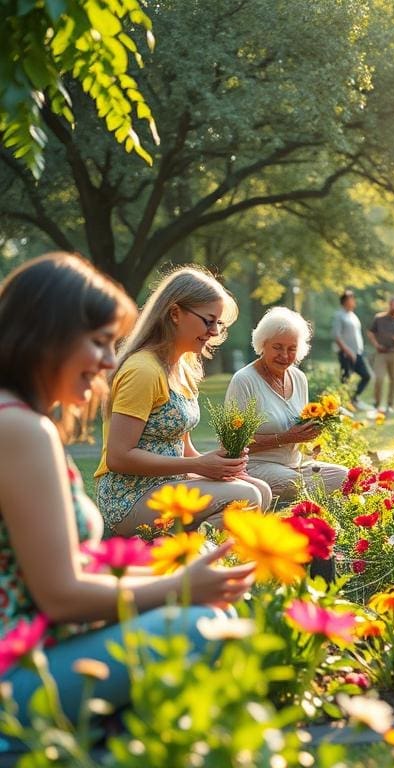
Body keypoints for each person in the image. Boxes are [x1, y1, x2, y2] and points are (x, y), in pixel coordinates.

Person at [0, 253, 254, 726]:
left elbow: (62, 574)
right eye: (98, 342)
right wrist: (178, 587)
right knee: (201, 627)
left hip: (37, 648)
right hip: (16, 673)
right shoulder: (19, 429)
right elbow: (60, 595)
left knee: (218, 609)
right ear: (45, 336)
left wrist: (183, 578)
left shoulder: (19, 421)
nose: (110, 360)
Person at [96, 267, 272, 535]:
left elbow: (183, 448)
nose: (214, 332)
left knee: (261, 490)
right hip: (129, 497)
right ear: (175, 313)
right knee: (246, 497)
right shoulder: (143, 370)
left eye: (218, 323)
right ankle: (186, 562)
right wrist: (198, 466)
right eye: (208, 321)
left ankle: (207, 563)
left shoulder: (184, 368)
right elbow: (119, 457)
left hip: (170, 484)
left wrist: (218, 466)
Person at [225, 307, 348, 502]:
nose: (284, 355)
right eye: (278, 347)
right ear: (262, 344)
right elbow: (231, 444)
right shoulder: (244, 380)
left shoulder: (299, 378)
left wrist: (310, 436)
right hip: (255, 466)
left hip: (295, 465)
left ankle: (329, 524)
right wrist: (284, 438)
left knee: (345, 477)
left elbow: (298, 427)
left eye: (291, 349)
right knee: (296, 484)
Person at [366, 296, 394, 415]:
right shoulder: (379, 318)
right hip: (381, 353)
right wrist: (376, 344)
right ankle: (377, 404)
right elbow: (370, 332)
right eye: (392, 305)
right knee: (379, 378)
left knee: (393, 380)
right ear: (389, 305)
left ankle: (390, 405)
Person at [332, 289, 371, 408]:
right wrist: (347, 351)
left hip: (357, 353)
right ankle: (343, 405)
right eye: (351, 299)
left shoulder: (353, 315)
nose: (354, 301)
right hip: (346, 354)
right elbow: (336, 336)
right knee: (346, 380)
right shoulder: (339, 315)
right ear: (345, 301)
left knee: (366, 375)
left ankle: (353, 399)